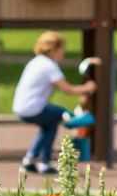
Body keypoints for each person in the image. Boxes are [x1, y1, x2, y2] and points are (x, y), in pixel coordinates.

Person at [12, 31, 96, 174]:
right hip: (32, 108)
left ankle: (31, 159)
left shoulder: (36, 61)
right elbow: (67, 89)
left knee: (49, 125)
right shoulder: (48, 65)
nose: (63, 54)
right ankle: (72, 122)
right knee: (58, 113)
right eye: (61, 50)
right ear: (53, 50)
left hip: (21, 106)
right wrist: (87, 88)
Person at [61, 58, 100, 162]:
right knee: (80, 139)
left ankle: (76, 158)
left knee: (77, 135)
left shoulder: (91, 84)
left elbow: (83, 99)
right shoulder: (91, 83)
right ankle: (77, 158)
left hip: (88, 115)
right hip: (85, 114)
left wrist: (68, 88)